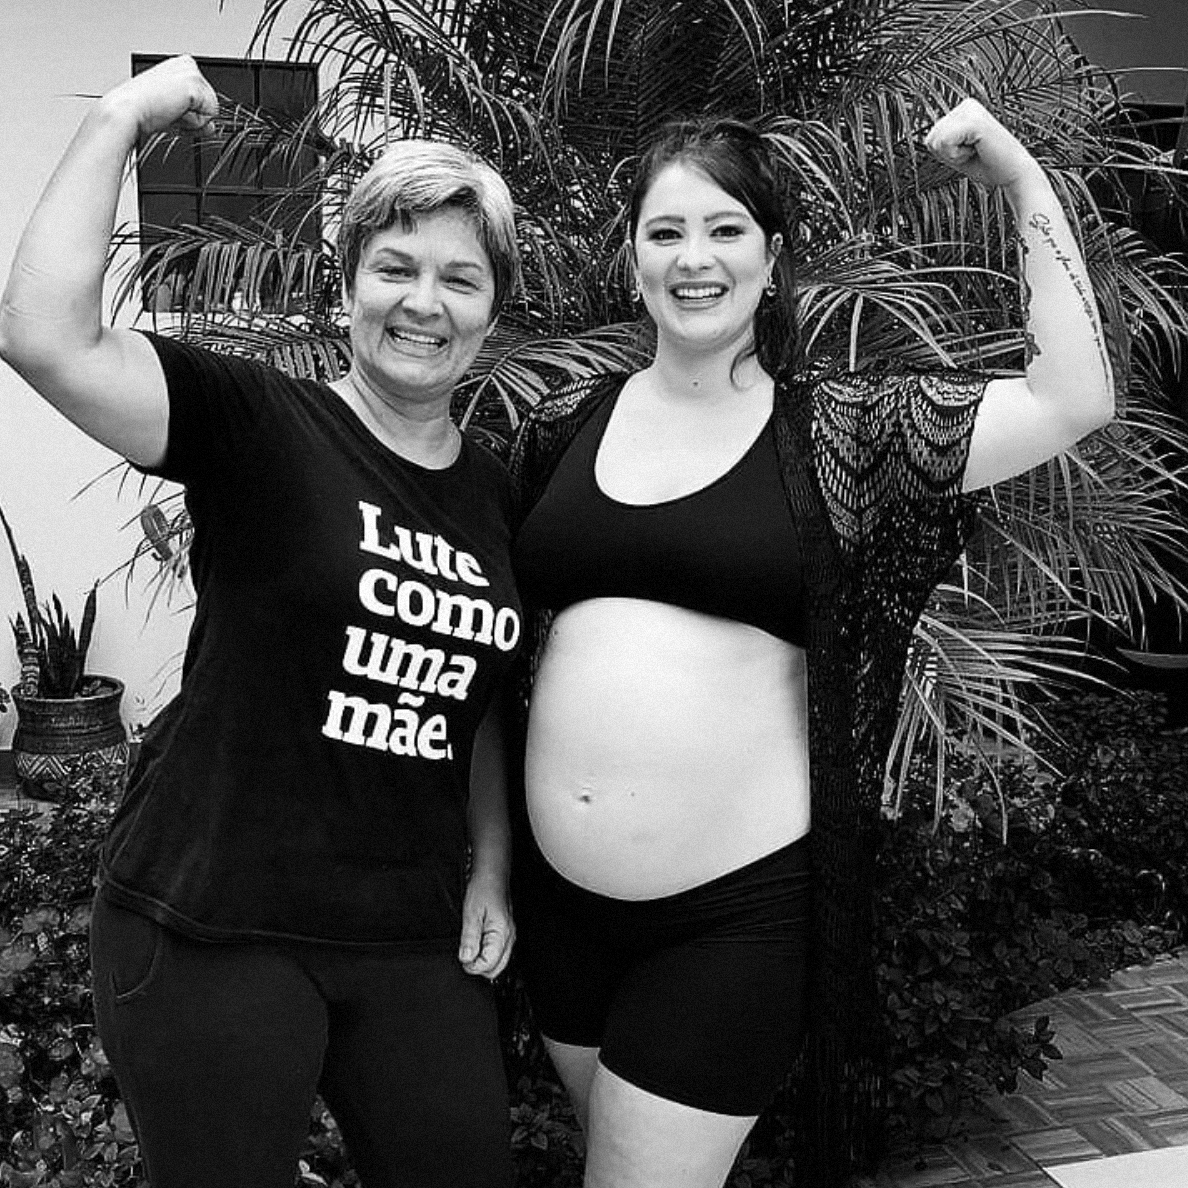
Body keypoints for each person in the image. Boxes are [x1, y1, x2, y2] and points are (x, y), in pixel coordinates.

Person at [508, 106, 1114, 1188]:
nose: (695, 259)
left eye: (727, 229)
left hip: (732, 919)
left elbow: (1074, 399)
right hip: (564, 921)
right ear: (633, 256)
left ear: (774, 257)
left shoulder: (845, 433)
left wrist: (1023, 180)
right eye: (665, 232)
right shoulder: (561, 425)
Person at [0, 55, 523, 1188]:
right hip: (213, 919)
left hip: (409, 930)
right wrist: (124, 117)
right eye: (394, 267)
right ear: (348, 288)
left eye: (459, 278)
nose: (423, 302)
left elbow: (475, 695)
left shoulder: (497, 492)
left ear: (492, 307)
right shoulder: (261, 421)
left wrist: (493, 865)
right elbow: (45, 334)